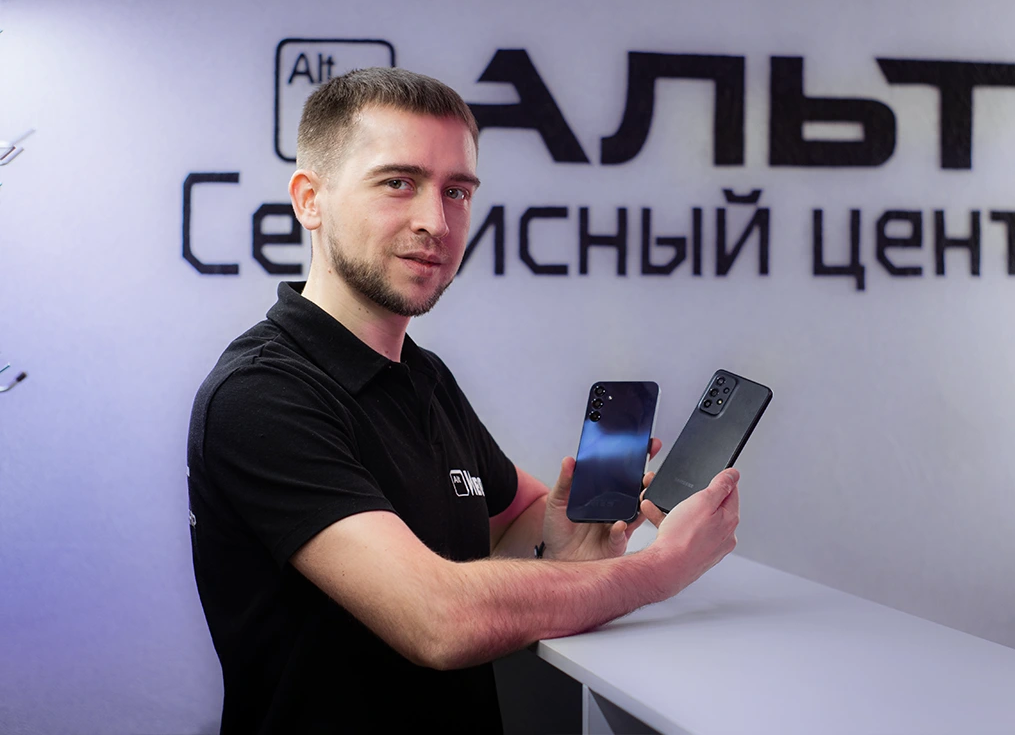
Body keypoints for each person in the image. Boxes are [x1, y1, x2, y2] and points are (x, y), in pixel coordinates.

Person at [187, 67, 741, 734]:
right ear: (311, 200)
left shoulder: (423, 375)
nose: (436, 221)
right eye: (398, 182)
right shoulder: (262, 396)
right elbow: (438, 619)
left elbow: (514, 514)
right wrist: (664, 567)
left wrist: (561, 540)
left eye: (456, 191)